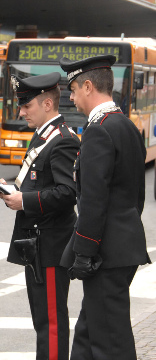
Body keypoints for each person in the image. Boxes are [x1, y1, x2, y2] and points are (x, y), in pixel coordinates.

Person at [59, 55, 151, 360]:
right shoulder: (126, 125)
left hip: (104, 254)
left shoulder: (99, 130)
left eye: (72, 89)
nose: (71, 98)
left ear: (88, 86)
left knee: (110, 343)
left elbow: (93, 201)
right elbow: (137, 195)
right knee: (89, 333)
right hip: (122, 247)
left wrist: (85, 252)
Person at [0, 72, 80, 360]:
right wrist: (11, 192)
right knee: (43, 321)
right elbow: (37, 182)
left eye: (26, 105)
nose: (21, 111)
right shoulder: (43, 135)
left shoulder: (63, 140)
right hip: (38, 244)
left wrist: (24, 201)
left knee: (52, 323)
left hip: (52, 246)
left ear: (46, 104)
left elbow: (68, 193)